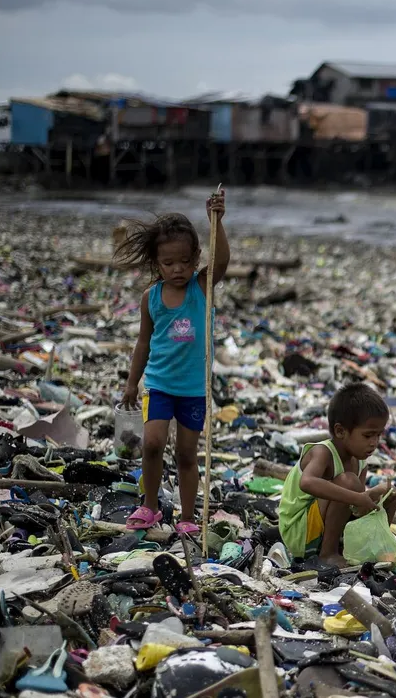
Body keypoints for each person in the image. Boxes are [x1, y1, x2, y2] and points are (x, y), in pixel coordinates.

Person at [118, 190, 229, 536]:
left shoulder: (201, 288)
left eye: (184, 261)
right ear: (156, 263)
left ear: (196, 257)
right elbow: (143, 341)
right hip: (160, 383)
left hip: (194, 389)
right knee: (151, 443)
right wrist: (131, 382)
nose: (177, 269)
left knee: (186, 454)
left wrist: (218, 222)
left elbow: (222, 261)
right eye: (168, 263)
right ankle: (149, 506)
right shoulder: (151, 297)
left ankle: (188, 517)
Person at [279, 383, 396, 567]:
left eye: (378, 435)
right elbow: (307, 482)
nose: (374, 443)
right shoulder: (322, 453)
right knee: (348, 482)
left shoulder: (361, 462)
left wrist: (379, 496)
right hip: (299, 533)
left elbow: (355, 508)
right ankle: (327, 554)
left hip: (322, 529)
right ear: (340, 431)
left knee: (389, 494)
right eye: (368, 435)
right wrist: (359, 497)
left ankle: (375, 548)